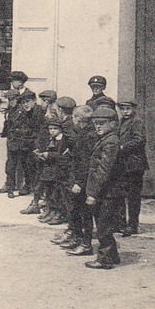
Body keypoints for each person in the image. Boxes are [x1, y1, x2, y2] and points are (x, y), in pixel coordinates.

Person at [54, 105, 97, 256]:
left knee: (85, 213)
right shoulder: (85, 133)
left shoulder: (88, 136)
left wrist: (79, 182)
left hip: (83, 182)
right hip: (79, 178)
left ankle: (86, 244)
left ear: (77, 119)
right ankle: (78, 239)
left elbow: (86, 162)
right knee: (77, 211)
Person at [84, 105, 123, 269]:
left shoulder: (111, 142)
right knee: (103, 223)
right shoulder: (106, 139)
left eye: (102, 123)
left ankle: (105, 259)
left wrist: (92, 193)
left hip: (108, 192)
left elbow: (103, 170)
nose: (98, 126)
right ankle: (112, 255)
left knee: (103, 226)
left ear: (113, 124)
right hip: (106, 191)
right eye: (96, 123)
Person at [116, 99, 149, 235]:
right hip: (124, 164)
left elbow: (139, 140)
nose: (125, 111)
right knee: (122, 193)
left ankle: (132, 225)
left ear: (134, 109)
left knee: (133, 196)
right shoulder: (122, 121)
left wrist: (123, 146)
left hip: (134, 164)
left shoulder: (137, 121)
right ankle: (121, 223)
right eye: (122, 109)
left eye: (127, 109)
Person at [0, 88, 39, 198]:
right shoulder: (10, 111)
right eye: (9, 99)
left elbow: (28, 127)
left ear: (17, 99)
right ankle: (10, 188)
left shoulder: (24, 110)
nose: (10, 102)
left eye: (12, 99)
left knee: (26, 165)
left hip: (23, 142)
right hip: (13, 141)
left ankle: (27, 186)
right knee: (10, 166)